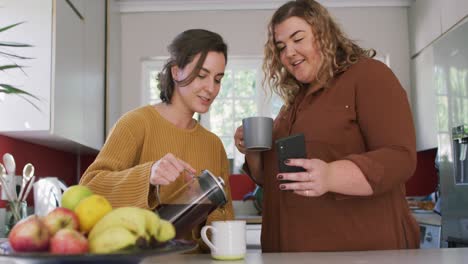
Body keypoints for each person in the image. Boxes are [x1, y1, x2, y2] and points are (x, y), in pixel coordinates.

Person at [234, 0, 419, 252]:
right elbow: (274, 179)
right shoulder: (292, 105)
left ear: (324, 34)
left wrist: (331, 175)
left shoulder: (369, 75)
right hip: (290, 251)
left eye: (298, 39)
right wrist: (253, 150)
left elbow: (400, 158)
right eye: (281, 47)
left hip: (356, 249)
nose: (289, 52)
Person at [80, 29, 234, 252]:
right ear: (176, 72)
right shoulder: (135, 124)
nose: (211, 88)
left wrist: (204, 209)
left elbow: (225, 218)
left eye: (218, 79)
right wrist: (148, 176)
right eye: (202, 75)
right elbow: (89, 189)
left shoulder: (213, 144)